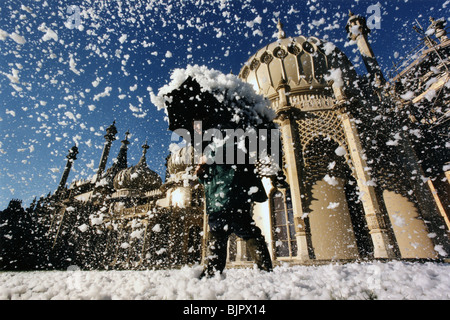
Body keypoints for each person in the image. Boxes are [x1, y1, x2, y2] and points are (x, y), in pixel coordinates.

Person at [193, 119, 273, 279]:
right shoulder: (239, 150)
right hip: (238, 202)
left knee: (217, 238)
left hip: (217, 205)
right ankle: (265, 269)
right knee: (250, 234)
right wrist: (258, 194)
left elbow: (206, 180)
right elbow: (249, 174)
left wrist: (200, 171)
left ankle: (211, 273)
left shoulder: (209, 151)